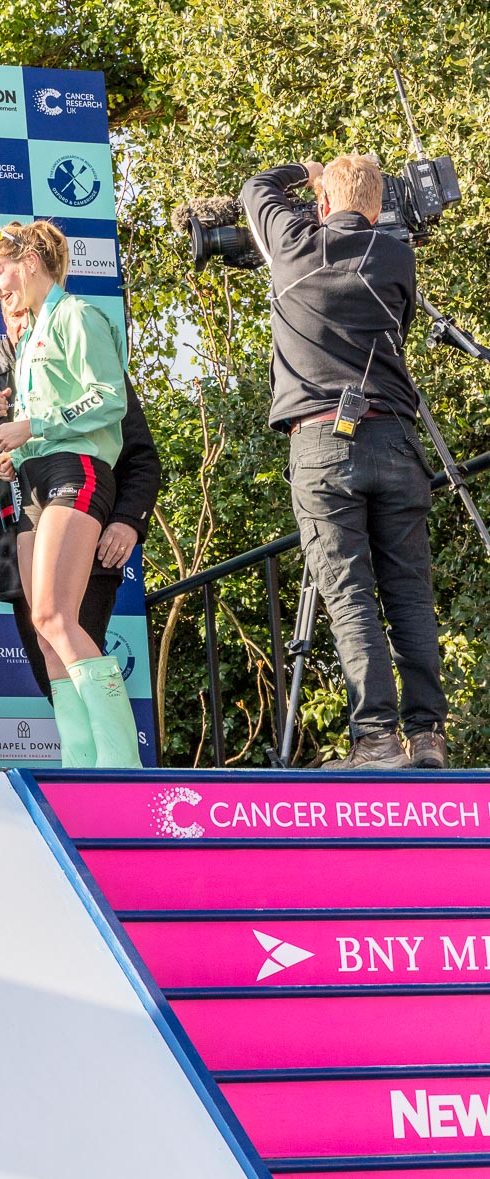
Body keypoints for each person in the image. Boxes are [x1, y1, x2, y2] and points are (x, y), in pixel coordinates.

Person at [243, 156, 446, 769]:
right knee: (409, 592)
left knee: (350, 593)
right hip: (395, 440)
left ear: (323, 205)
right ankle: (429, 737)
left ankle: (377, 740)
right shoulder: (396, 256)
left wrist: (301, 171)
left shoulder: (292, 243)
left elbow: (256, 188)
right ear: (380, 206)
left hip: (322, 442)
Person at [0, 220, 138, 768]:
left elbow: (110, 399)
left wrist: (34, 424)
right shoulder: (34, 331)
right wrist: (14, 450)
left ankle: (120, 762)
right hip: (34, 482)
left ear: (30, 261)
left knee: (55, 617)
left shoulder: (77, 315)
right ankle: (81, 760)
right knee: (45, 631)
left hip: (79, 471)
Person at [0, 293, 164, 704]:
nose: (21, 323)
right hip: (20, 538)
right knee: (52, 675)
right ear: (3, 319)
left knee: (75, 647)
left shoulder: (79, 364)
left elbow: (141, 457)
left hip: (87, 538)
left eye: (28, 314)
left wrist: (128, 520)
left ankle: (113, 761)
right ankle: (84, 765)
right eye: (13, 315)